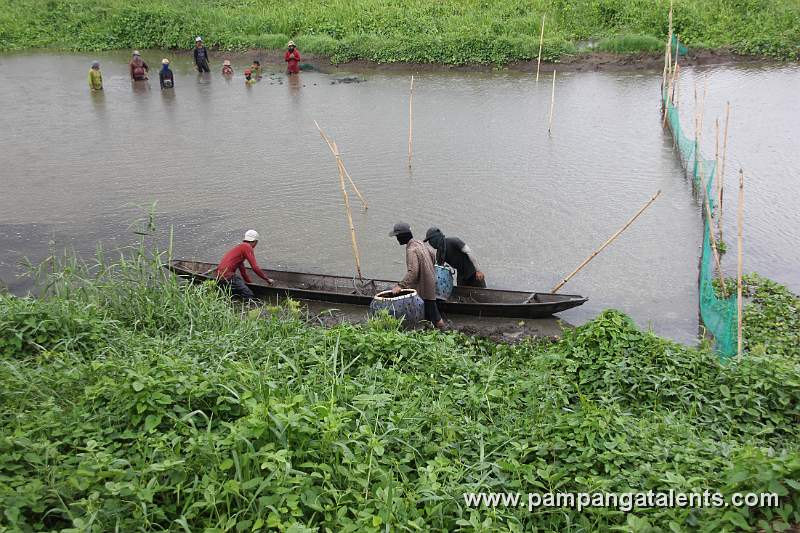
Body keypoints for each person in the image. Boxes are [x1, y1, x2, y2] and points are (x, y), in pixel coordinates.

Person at [389, 222, 445, 330]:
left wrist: (400, 286)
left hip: (424, 287)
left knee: (434, 315)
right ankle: (432, 330)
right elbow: (433, 256)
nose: (397, 239)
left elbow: (413, 272)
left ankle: (444, 331)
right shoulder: (420, 243)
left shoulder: (411, 250)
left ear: (402, 236)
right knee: (430, 312)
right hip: (431, 282)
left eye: (397, 236)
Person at [216, 230, 274, 299]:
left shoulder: (240, 248)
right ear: (255, 241)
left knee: (238, 287)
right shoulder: (247, 247)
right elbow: (255, 267)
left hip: (220, 275)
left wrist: (250, 283)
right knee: (249, 294)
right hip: (228, 276)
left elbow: (243, 272)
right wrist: (267, 279)